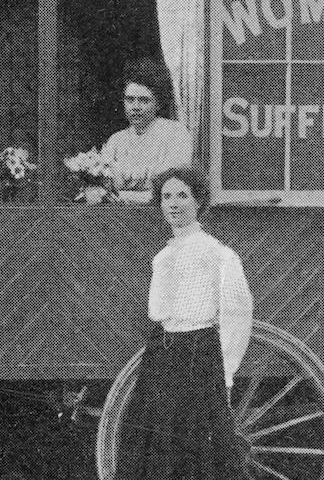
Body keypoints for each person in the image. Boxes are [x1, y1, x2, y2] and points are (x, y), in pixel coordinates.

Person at [115, 166, 254, 480]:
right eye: (166, 197)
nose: (173, 204)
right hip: (162, 348)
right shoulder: (165, 255)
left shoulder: (217, 254)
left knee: (192, 439)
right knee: (151, 433)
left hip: (197, 352)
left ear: (199, 201)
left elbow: (236, 314)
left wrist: (226, 373)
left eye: (182, 196)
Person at [84, 76, 192, 205]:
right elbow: (103, 183)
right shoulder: (116, 140)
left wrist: (122, 191)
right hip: (117, 215)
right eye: (130, 100)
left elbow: (170, 184)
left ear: (158, 104)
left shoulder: (175, 133)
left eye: (144, 100)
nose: (136, 107)